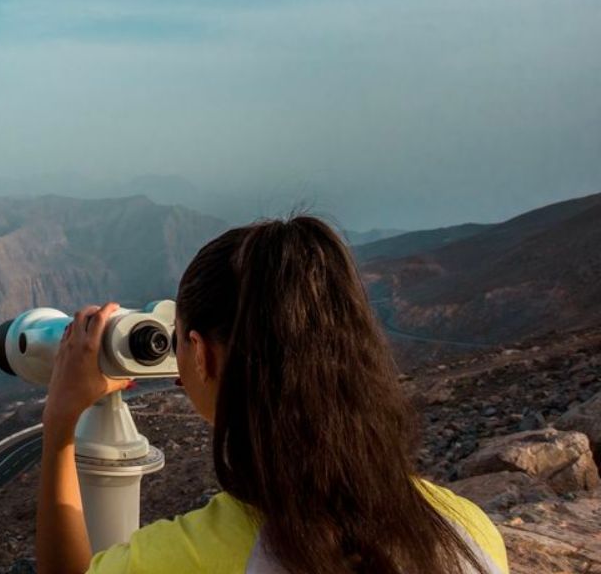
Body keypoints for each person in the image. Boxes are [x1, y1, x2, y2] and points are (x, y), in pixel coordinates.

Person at [37, 216, 507, 574]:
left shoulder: (196, 555)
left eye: (178, 339)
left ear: (201, 355)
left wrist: (61, 421)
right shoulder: (468, 530)